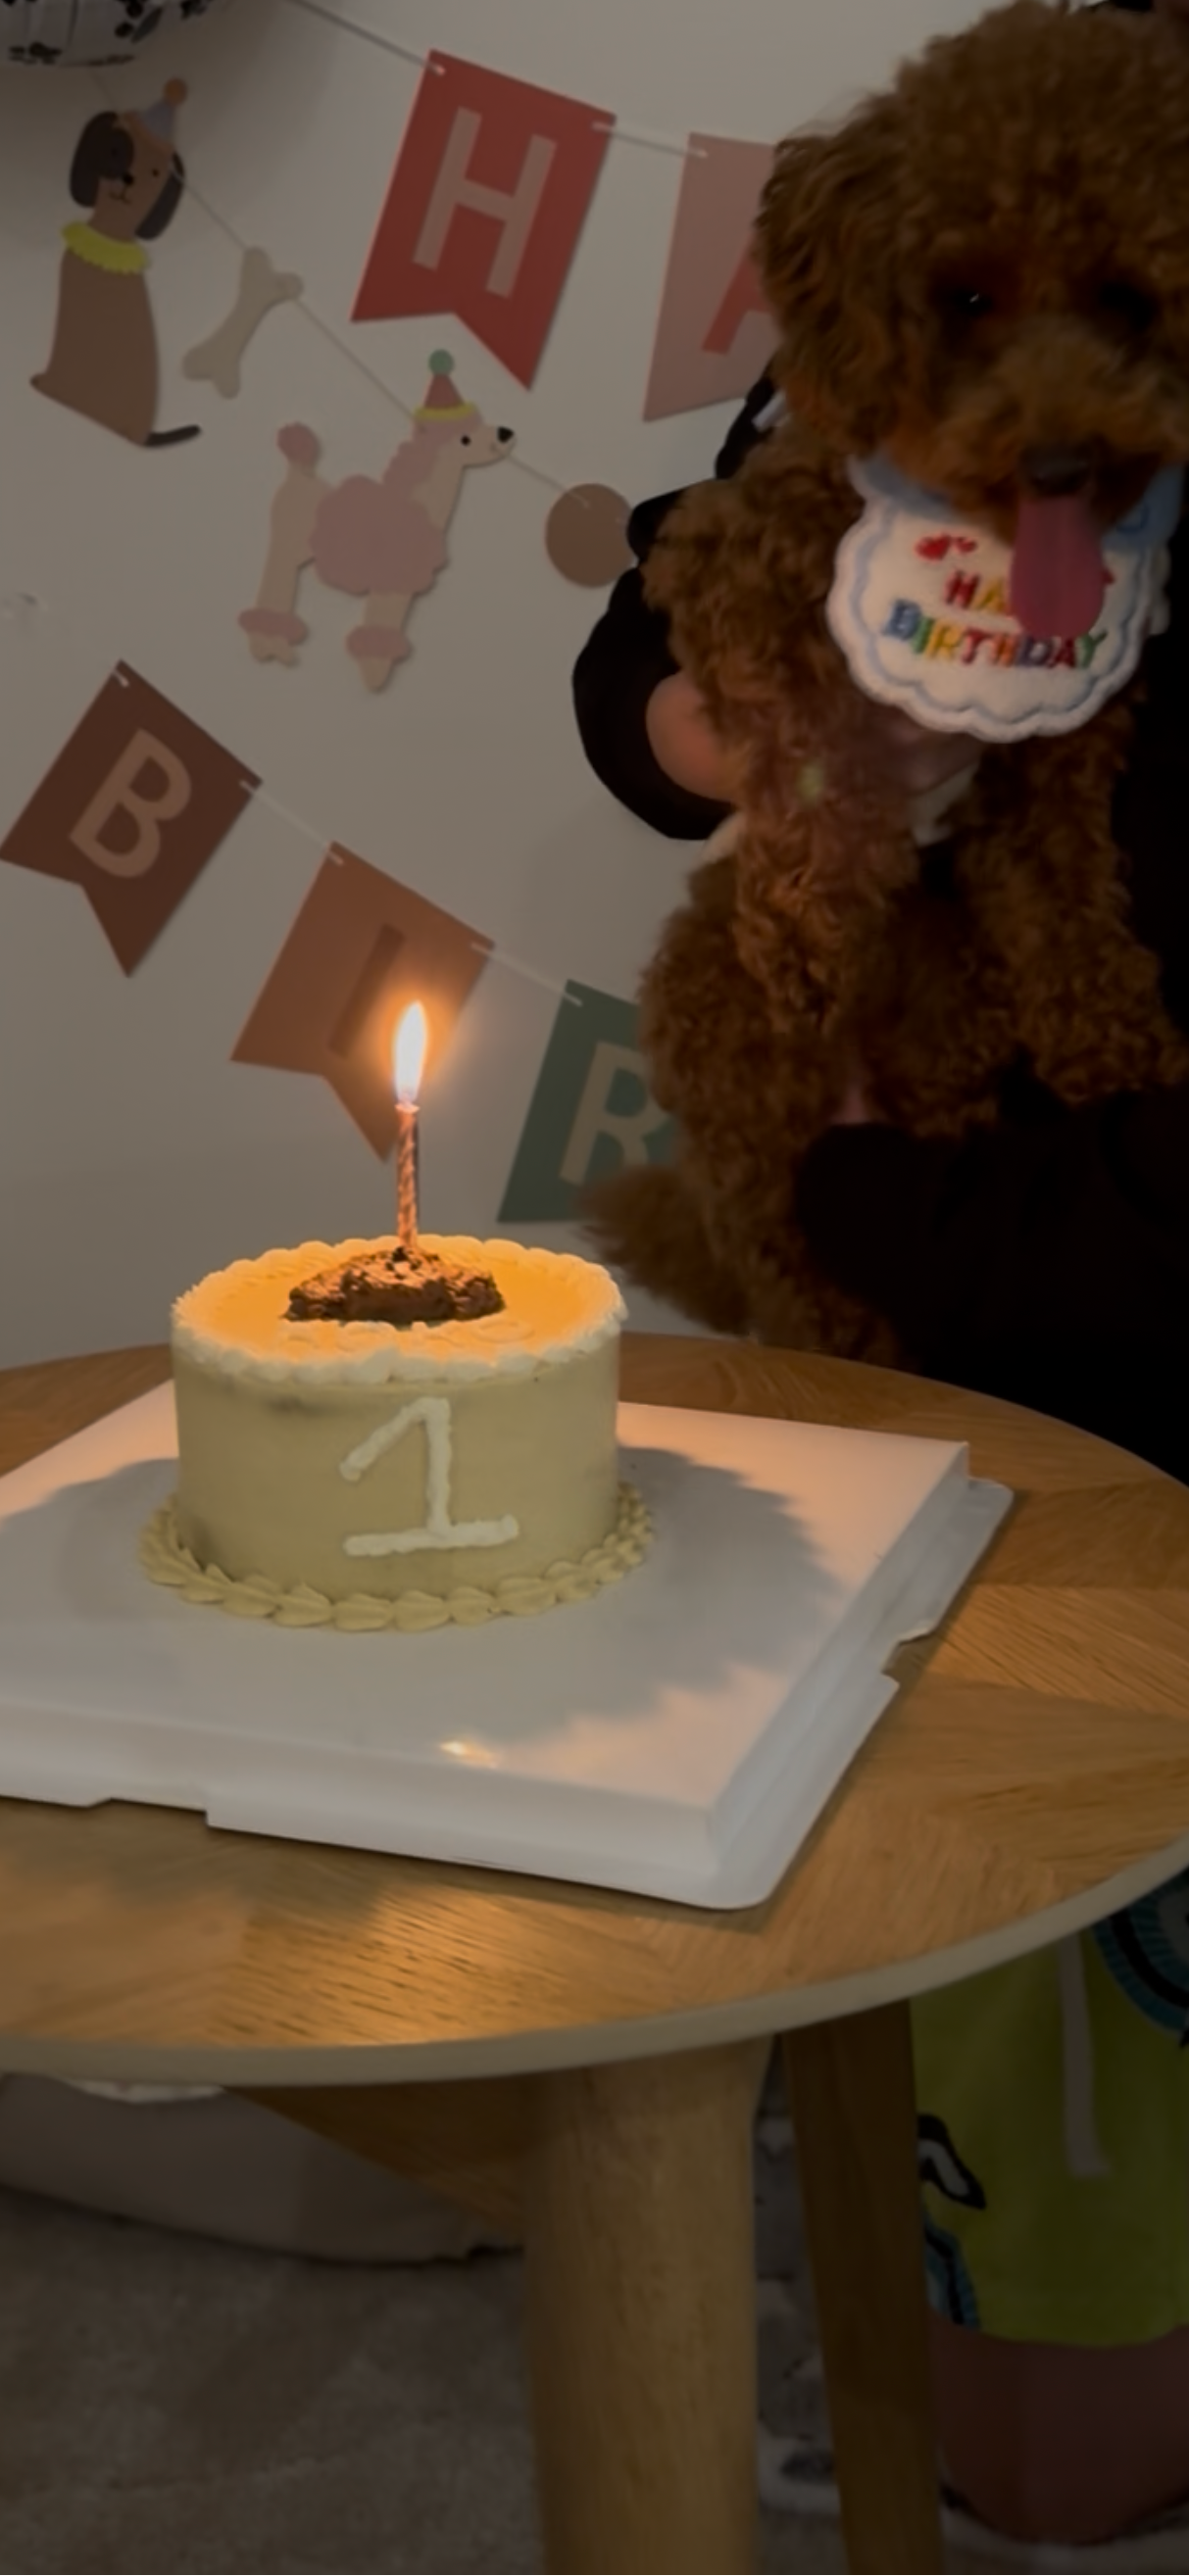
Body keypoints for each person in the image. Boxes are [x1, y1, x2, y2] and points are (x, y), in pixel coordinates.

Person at [573, 0, 1189, 2557]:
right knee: (956, 1893)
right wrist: (739, 714)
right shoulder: (902, 287)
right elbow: (646, 657)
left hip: (1088, 1279)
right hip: (902, 1265)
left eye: (1123, 330)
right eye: (977, 327)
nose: (1045, 397)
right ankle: (979, 2332)